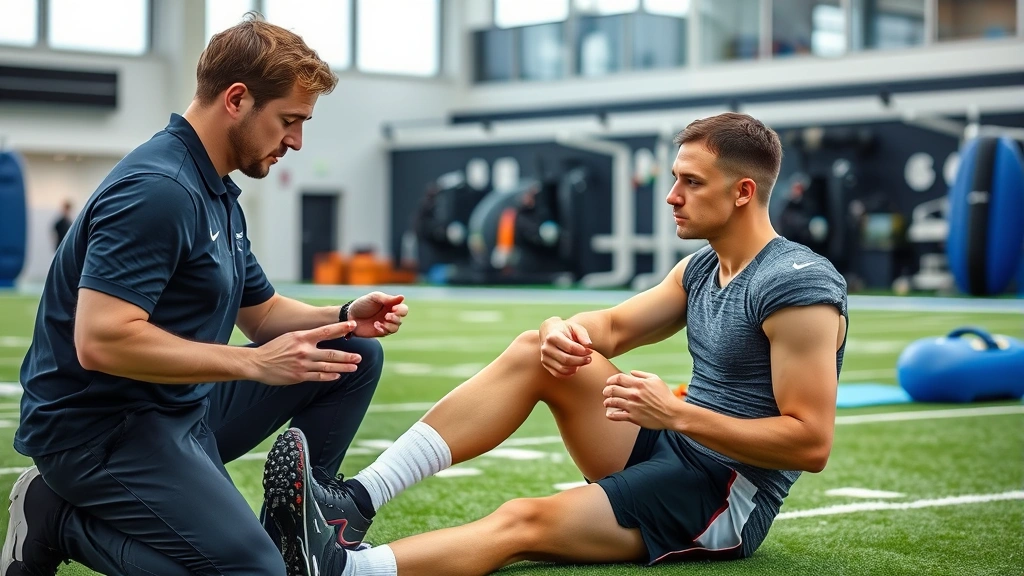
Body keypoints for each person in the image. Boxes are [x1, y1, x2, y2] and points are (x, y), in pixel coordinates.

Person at [262, 112, 849, 576]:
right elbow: (614, 328)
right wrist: (560, 331)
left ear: (744, 191)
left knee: (524, 521)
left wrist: (677, 413)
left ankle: (343, 567)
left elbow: (810, 444)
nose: (672, 195)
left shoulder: (797, 288)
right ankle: (356, 501)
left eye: (690, 182)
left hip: (723, 499)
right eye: (675, 178)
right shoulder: (702, 268)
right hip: (676, 444)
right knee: (531, 351)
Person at [2, 14, 408, 576]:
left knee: (352, 357)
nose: (296, 140)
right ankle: (54, 517)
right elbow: (101, 341)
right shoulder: (159, 191)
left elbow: (263, 314)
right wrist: (255, 366)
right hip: (99, 429)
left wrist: (342, 315)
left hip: (176, 405)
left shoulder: (216, 190)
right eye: (289, 121)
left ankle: (295, 538)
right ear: (237, 99)